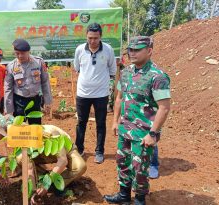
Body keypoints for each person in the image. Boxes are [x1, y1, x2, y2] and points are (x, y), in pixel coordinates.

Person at [104, 36, 171, 205]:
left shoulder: (157, 77)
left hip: (143, 133)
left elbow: (164, 107)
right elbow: (119, 98)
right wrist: (114, 122)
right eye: (130, 50)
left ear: (149, 51)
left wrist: (153, 134)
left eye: (137, 50)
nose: (132, 53)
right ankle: (124, 195)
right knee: (122, 162)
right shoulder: (126, 72)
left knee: (140, 169)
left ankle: (140, 200)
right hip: (125, 128)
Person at [73, 23, 117, 163]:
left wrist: (107, 86)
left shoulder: (108, 50)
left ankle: (99, 151)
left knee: (101, 123)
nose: (93, 41)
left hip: (101, 94)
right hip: (83, 94)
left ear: (100, 37)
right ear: (86, 36)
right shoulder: (80, 50)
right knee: (81, 122)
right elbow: (77, 68)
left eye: (96, 38)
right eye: (90, 38)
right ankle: (79, 149)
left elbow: (112, 70)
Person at [16, 125, 86, 204]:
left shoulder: (52, 135)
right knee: (20, 158)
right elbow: (29, 168)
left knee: (80, 166)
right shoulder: (25, 137)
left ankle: (55, 184)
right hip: (42, 153)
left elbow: (63, 160)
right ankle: (42, 178)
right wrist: (33, 191)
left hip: (66, 151)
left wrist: (47, 184)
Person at [4, 38, 52, 124]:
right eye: (17, 53)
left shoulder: (38, 62)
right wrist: (8, 110)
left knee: (35, 128)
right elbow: (8, 89)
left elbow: (45, 82)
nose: (20, 56)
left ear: (29, 51)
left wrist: (47, 101)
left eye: (23, 53)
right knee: (19, 130)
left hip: (35, 101)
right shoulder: (11, 66)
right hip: (19, 102)